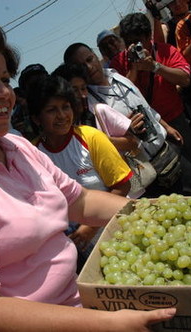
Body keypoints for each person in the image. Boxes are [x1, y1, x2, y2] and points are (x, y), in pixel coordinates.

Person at [0, 22, 176, 331]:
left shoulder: (15, 146)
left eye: (5, 79)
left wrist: (161, 213)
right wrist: (105, 324)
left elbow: (80, 200)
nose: (3, 92)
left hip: (79, 302)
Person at [63, 42, 191, 197]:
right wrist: (128, 131)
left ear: (95, 56)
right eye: (81, 65)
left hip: (167, 153)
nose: (89, 67)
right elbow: (102, 144)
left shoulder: (116, 76)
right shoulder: (89, 105)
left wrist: (165, 126)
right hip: (146, 172)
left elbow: (142, 104)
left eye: (89, 59)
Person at [27, 74, 132, 271]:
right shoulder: (32, 155)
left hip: (117, 235)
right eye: (51, 110)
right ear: (36, 118)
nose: (62, 115)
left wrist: (89, 229)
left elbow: (123, 184)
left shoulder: (91, 137)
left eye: (65, 107)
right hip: (76, 252)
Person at [111, 12, 191, 188]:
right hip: (146, 129)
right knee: (167, 174)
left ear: (148, 37)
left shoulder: (165, 51)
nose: (132, 46)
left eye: (137, 41)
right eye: (128, 42)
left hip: (175, 119)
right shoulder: (119, 63)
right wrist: (134, 70)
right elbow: (119, 95)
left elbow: (184, 79)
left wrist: (155, 67)